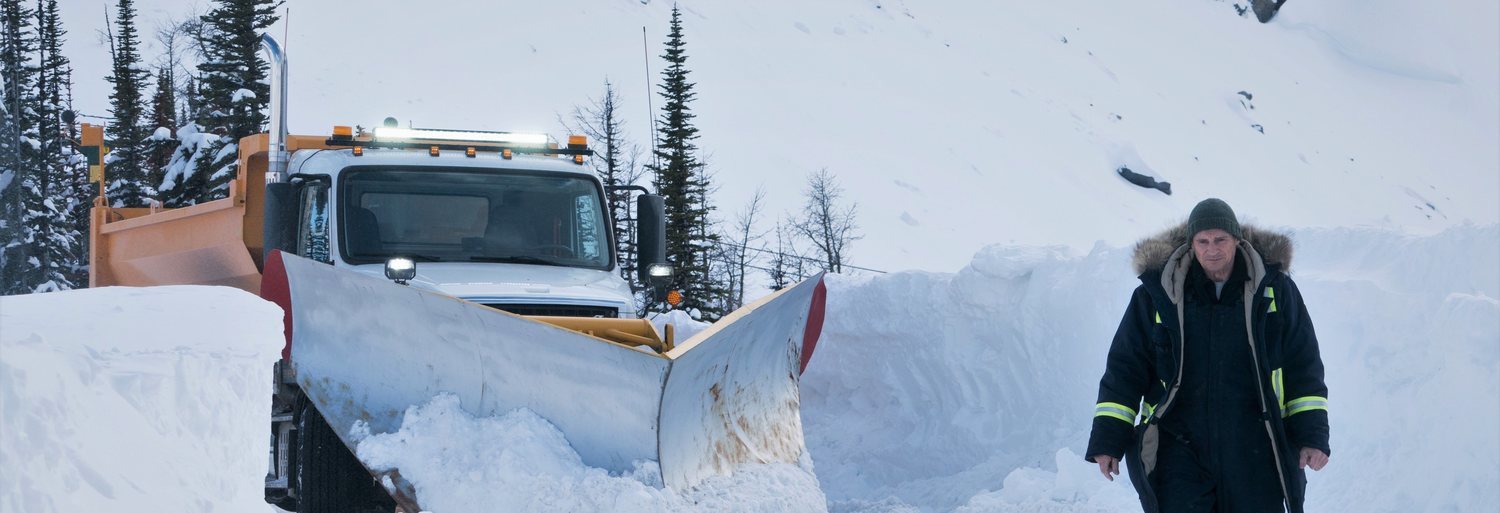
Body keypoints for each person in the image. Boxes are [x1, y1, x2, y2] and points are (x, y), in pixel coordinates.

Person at [1086, 198, 1330, 513]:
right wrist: (1108, 440)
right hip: (1179, 449)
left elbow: (1303, 364)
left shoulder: (1274, 291)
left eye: (1220, 240)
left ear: (1237, 241)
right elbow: (1126, 368)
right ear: (1191, 245)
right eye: (1202, 241)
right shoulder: (1157, 295)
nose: (1211, 249)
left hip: (1254, 447)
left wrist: (1312, 435)